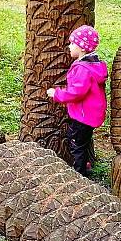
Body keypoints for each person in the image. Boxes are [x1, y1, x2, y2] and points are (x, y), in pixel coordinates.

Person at [46, 25, 108, 176]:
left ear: (82, 48)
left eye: (72, 43)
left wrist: (56, 93)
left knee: (76, 143)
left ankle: (80, 173)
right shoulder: (94, 65)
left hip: (83, 116)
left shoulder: (83, 69)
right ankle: (85, 164)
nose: (69, 46)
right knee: (83, 142)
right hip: (91, 114)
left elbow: (76, 93)